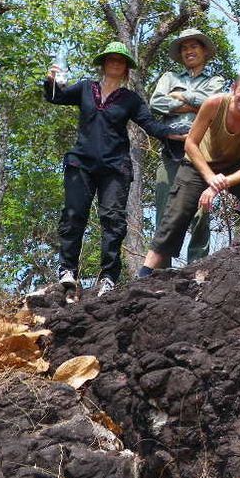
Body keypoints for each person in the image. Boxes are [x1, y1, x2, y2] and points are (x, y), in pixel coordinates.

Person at [45, 42, 184, 296]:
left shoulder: (130, 99)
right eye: (111, 59)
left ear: (126, 69)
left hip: (115, 167)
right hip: (81, 163)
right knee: (74, 214)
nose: (115, 63)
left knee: (113, 220)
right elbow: (56, 96)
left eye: (120, 61)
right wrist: (51, 79)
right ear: (104, 63)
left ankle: (108, 277)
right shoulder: (86, 88)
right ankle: (67, 270)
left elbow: (150, 125)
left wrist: (177, 135)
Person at [139, 66, 240, 275]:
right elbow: (191, 144)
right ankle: (145, 271)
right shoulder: (214, 103)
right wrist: (211, 179)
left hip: (235, 164)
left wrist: (221, 184)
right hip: (199, 162)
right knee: (177, 211)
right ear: (233, 88)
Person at [149, 28, 226, 263]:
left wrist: (181, 97)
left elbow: (215, 105)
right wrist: (196, 104)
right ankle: (160, 271)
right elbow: (155, 103)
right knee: (165, 212)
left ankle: (198, 268)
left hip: (202, 153)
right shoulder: (169, 78)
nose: (189, 51)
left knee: (201, 211)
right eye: (184, 48)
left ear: (204, 51)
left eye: (194, 46)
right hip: (171, 151)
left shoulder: (216, 81)